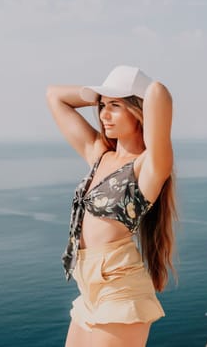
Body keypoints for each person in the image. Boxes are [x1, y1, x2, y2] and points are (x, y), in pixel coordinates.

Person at [46, 65, 176, 347]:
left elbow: (158, 94)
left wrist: (138, 88)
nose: (103, 115)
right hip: (89, 288)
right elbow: (54, 96)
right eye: (102, 107)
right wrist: (100, 95)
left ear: (138, 109)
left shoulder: (148, 166)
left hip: (119, 288)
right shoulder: (98, 153)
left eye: (114, 106)